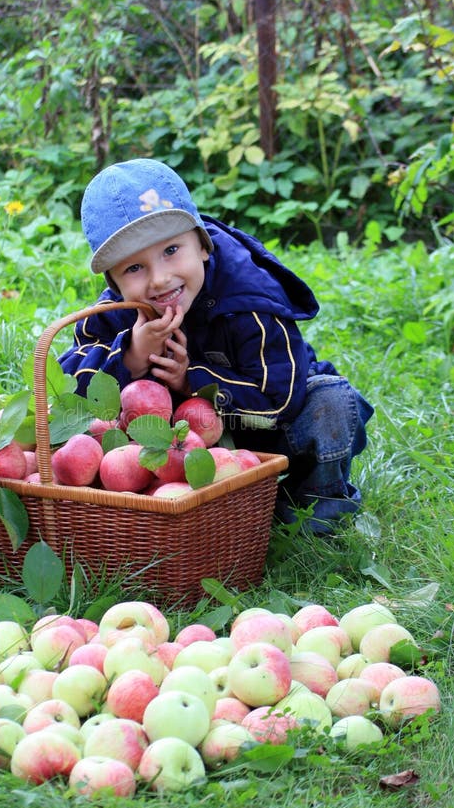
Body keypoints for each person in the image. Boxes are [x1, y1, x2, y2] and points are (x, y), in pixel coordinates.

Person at [58, 158, 374, 533]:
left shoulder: (249, 302)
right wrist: (131, 356)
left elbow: (281, 397)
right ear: (113, 282)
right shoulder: (120, 311)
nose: (160, 279)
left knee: (333, 401)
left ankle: (308, 513)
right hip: (178, 451)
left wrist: (192, 381)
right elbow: (66, 388)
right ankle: (183, 519)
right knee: (94, 424)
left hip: (271, 432)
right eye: (134, 268)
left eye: (171, 251)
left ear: (203, 245)